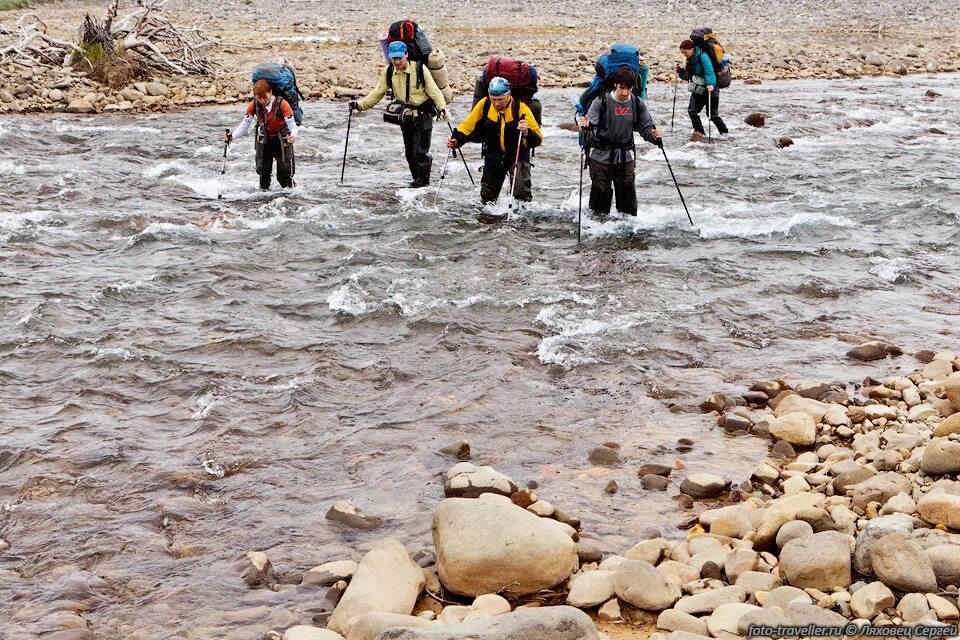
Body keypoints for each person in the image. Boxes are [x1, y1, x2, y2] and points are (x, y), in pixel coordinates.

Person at [350, 41, 448, 187]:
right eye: (393, 58)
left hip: (424, 115)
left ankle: (423, 184)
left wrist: (443, 108)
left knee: (421, 152)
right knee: (410, 153)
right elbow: (377, 93)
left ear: (406, 55)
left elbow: (434, 91)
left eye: (399, 58)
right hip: (406, 117)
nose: (396, 62)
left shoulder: (420, 69)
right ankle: (417, 181)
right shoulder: (389, 71)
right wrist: (359, 105)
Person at [577, 68, 662, 219]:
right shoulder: (601, 101)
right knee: (599, 205)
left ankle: (628, 235)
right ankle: (598, 234)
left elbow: (646, 127)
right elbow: (591, 123)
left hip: (625, 157)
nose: (625, 92)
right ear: (615, 85)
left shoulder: (637, 103)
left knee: (628, 206)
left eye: (628, 88)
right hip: (600, 157)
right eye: (622, 88)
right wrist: (584, 125)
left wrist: (654, 137)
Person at [446, 76, 543, 208]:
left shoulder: (521, 109)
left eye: (500, 100)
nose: (496, 103)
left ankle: (522, 224)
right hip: (493, 155)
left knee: (521, 195)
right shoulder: (484, 104)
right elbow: (468, 126)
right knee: (488, 200)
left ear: (508, 95)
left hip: (517, 155)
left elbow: (538, 138)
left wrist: (526, 131)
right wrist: (456, 140)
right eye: (493, 99)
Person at [224, 79, 298, 190]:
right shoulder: (254, 104)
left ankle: (291, 199)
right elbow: (245, 124)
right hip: (265, 141)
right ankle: (263, 200)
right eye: (259, 98)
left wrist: (293, 136)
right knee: (263, 177)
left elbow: (292, 126)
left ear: (271, 92)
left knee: (285, 178)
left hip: (282, 141)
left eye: (265, 98)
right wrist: (232, 136)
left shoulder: (283, 104)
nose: (262, 101)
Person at [677, 38, 728, 140]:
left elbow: (710, 72)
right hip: (698, 89)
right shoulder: (690, 59)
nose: (684, 54)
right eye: (683, 53)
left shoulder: (703, 56)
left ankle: (725, 134)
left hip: (710, 88)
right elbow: (689, 76)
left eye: (685, 52)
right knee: (692, 111)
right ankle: (700, 133)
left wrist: (711, 85)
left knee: (712, 115)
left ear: (692, 49)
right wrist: (680, 71)